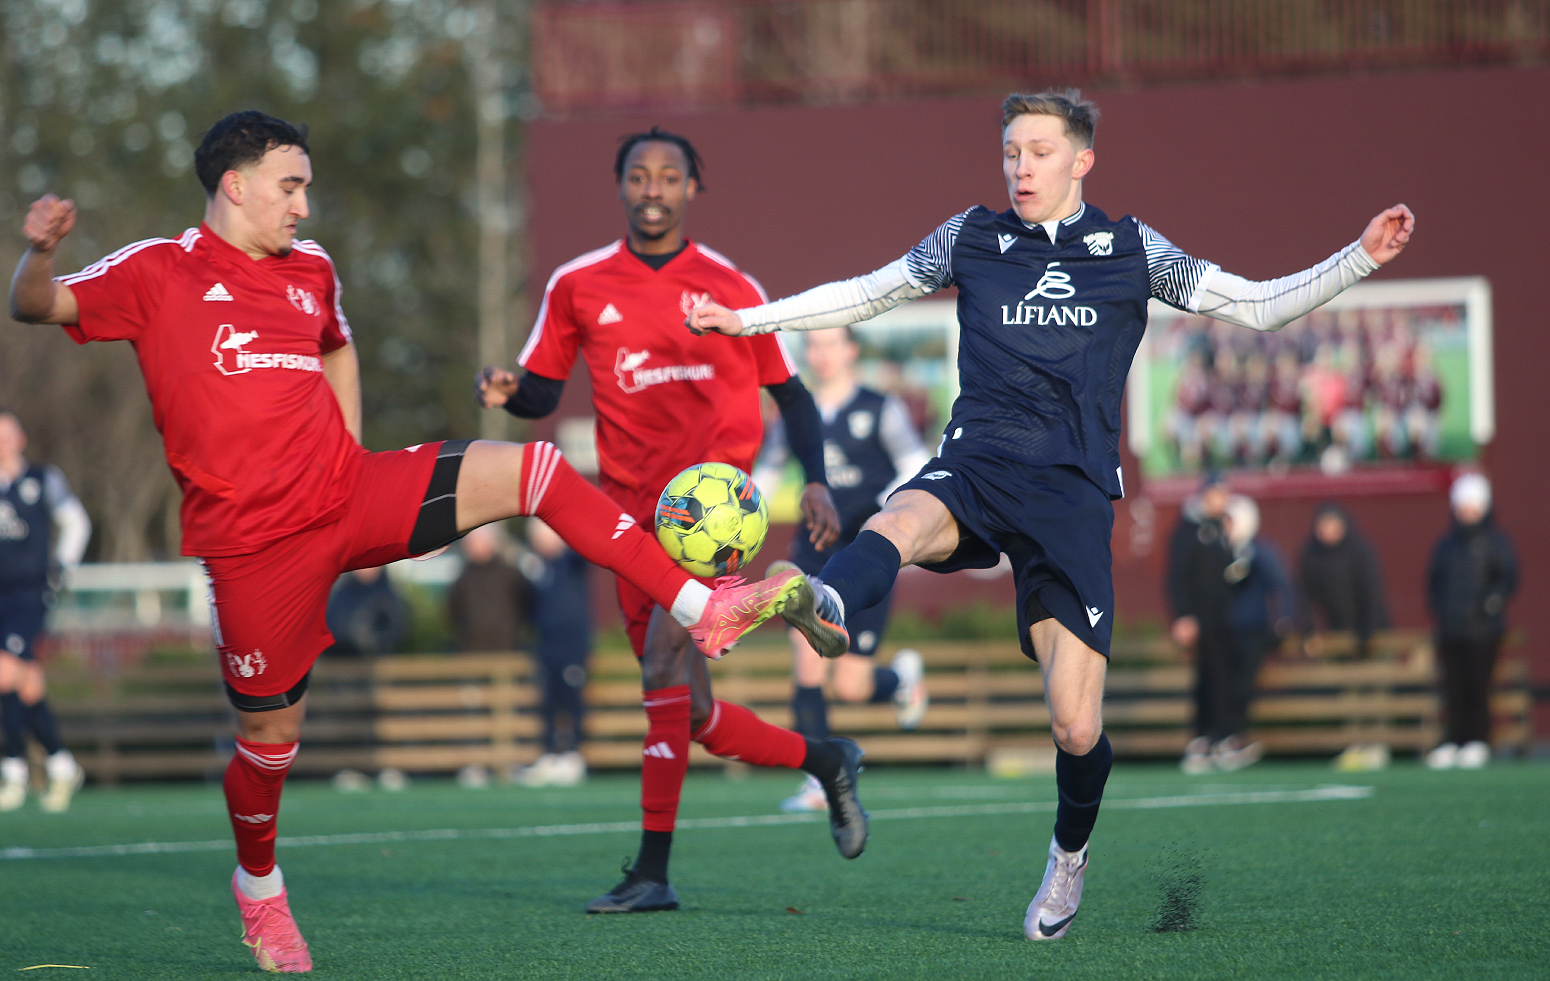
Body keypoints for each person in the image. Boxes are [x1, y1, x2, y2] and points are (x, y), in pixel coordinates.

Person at [9, 111, 809, 973]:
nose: (303, 206)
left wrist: (346, 454)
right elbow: (37, 304)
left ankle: (704, 607)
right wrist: (40, 251)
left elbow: (337, 349)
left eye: (306, 187)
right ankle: (258, 883)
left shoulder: (311, 269)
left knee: (535, 469)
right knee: (269, 741)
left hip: (349, 493)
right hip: (253, 545)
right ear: (234, 185)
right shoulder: (159, 269)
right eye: (290, 186)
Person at [687, 89, 1413, 939]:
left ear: (1082, 159)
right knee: (900, 517)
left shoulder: (1131, 248)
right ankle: (824, 598)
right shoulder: (970, 236)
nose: (1020, 168)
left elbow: (1258, 305)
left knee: (1075, 723)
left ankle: (1070, 854)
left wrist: (1359, 258)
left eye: (1038, 152)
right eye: (1010, 153)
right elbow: (864, 294)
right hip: (978, 462)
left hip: (1070, 494)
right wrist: (746, 321)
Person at [476, 126, 867, 914]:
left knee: (660, 666)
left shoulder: (731, 284)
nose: (652, 188)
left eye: (668, 175)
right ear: (621, 185)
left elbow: (791, 395)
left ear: (693, 188)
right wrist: (510, 392)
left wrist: (817, 482)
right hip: (625, 520)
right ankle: (827, 759)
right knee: (693, 712)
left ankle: (652, 873)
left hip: (710, 518)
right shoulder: (577, 283)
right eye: (639, 175)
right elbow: (544, 388)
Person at [753, 326, 932, 813]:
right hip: (812, 551)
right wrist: (737, 518)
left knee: (851, 686)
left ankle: (900, 680)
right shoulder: (795, 413)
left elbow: (917, 463)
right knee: (806, 656)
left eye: (832, 343)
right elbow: (766, 475)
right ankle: (820, 780)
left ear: (851, 350)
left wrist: (882, 505)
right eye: (813, 345)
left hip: (867, 552)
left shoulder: (881, 408)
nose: (822, 353)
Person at [0, 412, 90, 813]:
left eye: (7, 435)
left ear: (20, 438)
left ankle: (13, 771)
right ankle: (61, 765)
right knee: (27, 683)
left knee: (5, 673)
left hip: (30, 594)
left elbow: (77, 523)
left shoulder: (43, 478)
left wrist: (62, 566)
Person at [1424, 474, 1517, 770]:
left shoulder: (1494, 542)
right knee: (1453, 688)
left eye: (1472, 506)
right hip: (1451, 629)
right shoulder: (1447, 544)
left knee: (1478, 686)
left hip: (1482, 630)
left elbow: (1508, 577)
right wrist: (1440, 609)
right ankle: (1454, 739)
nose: (1467, 512)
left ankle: (1478, 740)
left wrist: (1491, 603)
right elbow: (1434, 581)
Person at [511, 519, 591, 788]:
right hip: (546, 644)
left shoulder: (572, 561)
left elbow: (585, 547)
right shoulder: (535, 568)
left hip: (572, 644)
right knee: (547, 702)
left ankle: (572, 755)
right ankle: (549, 755)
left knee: (571, 700)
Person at [1299, 503, 1389, 656]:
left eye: (1332, 524)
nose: (1327, 530)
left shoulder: (1360, 552)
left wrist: (1368, 629)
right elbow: (1304, 596)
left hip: (1372, 632)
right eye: (1323, 525)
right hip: (1335, 632)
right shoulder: (1311, 555)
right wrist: (1309, 629)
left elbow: (1372, 592)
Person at [446, 524, 527, 653]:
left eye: (479, 541)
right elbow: (453, 611)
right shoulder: (463, 578)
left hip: (506, 648)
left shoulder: (510, 575)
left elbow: (525, 604)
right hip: (471, 649)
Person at [324, 567, 408, 656]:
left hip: (373, 659)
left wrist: (372, 641)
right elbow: (330, 622)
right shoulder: (341, 592)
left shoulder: (388, 596)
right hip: (337, 657)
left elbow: (397, 630)